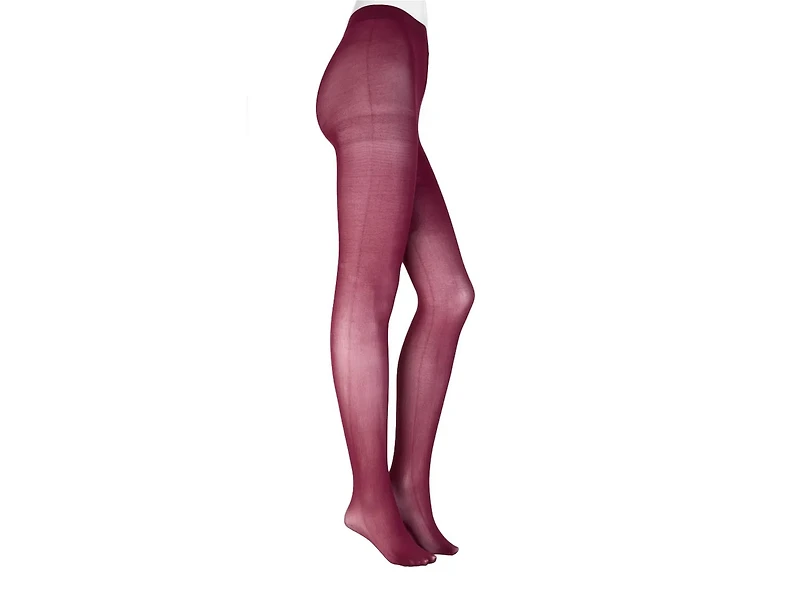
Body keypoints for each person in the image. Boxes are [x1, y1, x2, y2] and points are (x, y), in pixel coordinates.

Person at [315, 1, 475, 566]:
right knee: (368, 290)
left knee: (450, 294)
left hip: (394, 75)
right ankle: (368, 496)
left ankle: (407, 488)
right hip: (375, 66)